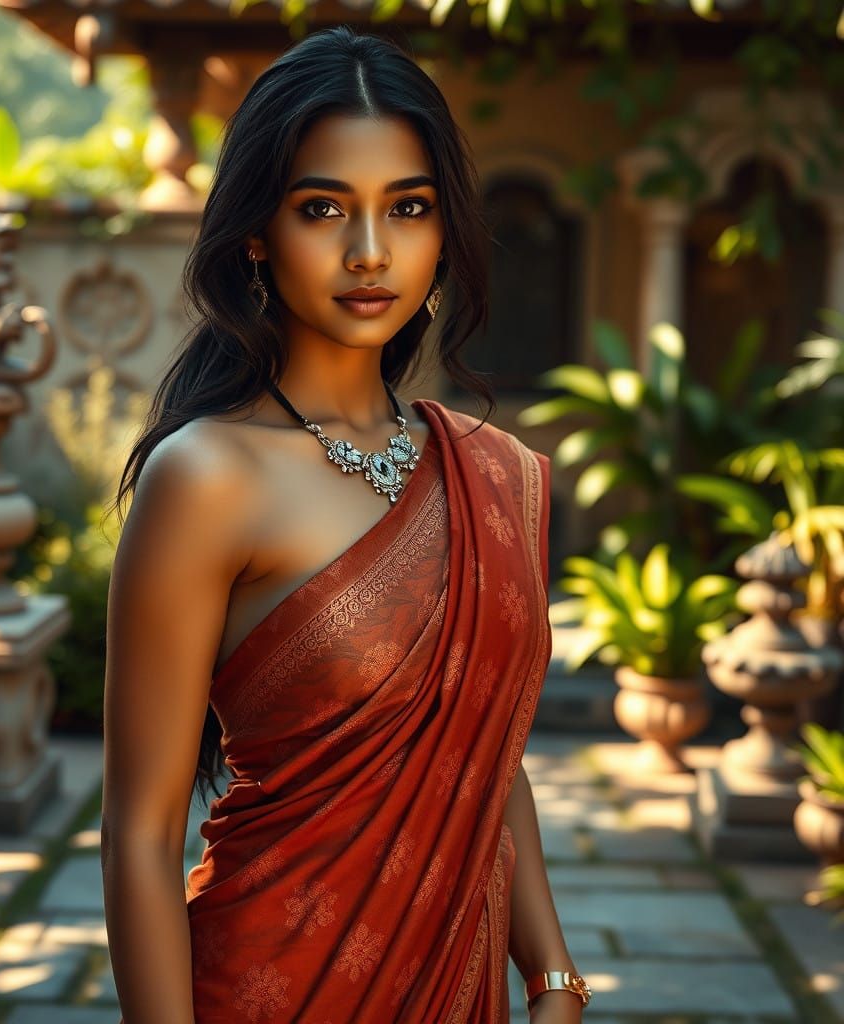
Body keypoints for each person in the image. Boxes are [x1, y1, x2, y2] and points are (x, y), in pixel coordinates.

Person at [101, 24, 590, 1024]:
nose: (369, 252)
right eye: (321, 208)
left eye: (406, 208)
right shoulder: (206, 476)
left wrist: (552, 978)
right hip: (266, 984)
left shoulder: (491, 471)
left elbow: (483, 754)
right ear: (253, 233)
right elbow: (140, 834)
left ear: (445, 229)